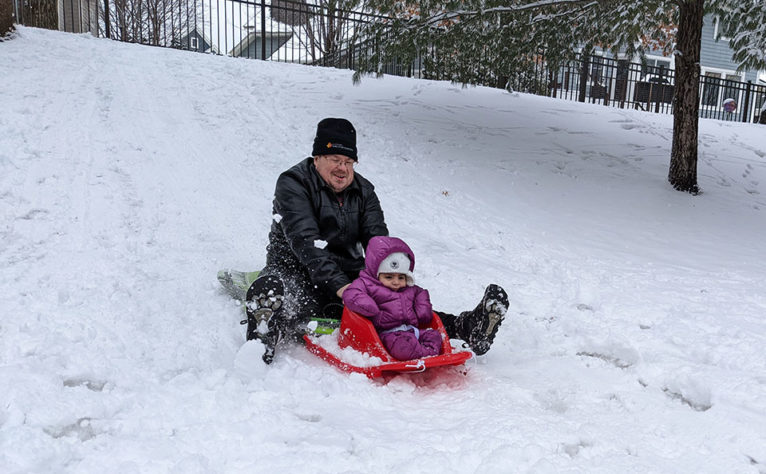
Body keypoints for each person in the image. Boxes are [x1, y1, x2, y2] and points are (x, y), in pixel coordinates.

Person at [242, 117, 508, 363]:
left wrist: (390, 283)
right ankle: (267, 322)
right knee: (296, 298)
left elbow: (379, 246)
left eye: (348, 162)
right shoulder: (293, 183)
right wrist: (344, 290)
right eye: (335, 159)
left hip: (348, 273)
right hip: (297, 267)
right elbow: (306, 243)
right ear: (317, 157)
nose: (342, 169)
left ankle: (467, 328)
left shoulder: (364, 191)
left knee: (395, 308)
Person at [342, 236, 442, 360]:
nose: (396, 282)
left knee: (434, 335)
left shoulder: (410, 288)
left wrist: (422, 308)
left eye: (401, 277)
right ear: (376, 274)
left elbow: (421, 293)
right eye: (389, 277)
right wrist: (367, 305)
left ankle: (425, 354)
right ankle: (420, 354)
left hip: (411, 331)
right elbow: (351, 293)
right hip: (387, 336)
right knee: (402, 346)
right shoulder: (367, 284)